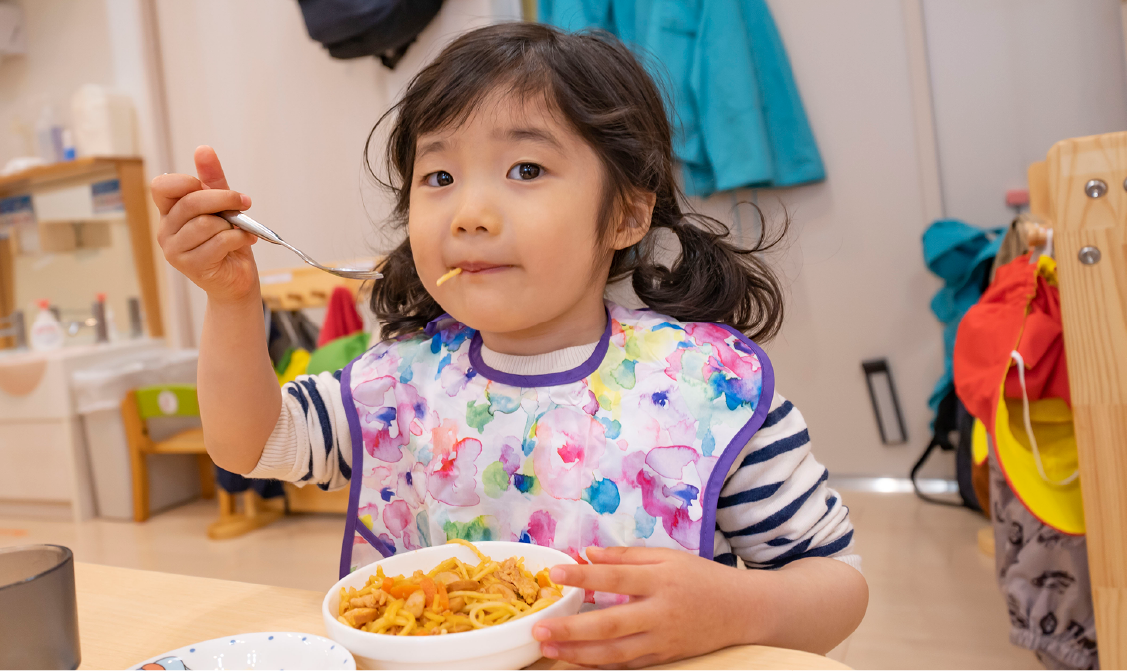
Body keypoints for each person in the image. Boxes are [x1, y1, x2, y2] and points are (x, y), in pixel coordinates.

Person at [152, 22, 867, 668]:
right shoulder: (397, 384)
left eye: (525, 169)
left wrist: (735, 609)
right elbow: (247, 442)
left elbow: (837, 582)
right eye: (438, 177)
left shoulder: (708, 389)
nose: (469, 212)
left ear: (625, 212)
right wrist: (231, 299)